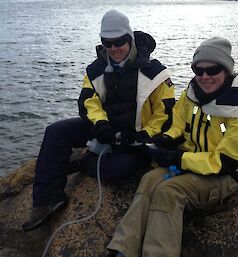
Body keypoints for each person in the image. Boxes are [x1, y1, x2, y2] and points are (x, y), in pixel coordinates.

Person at [100, 37, 238, 257]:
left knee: (169, 191)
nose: (204, 77)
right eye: (198, 69)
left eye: (213, 70)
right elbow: (177, 125)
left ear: (226, 71)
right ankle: (122, 248)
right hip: (191, 161)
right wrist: (160, 142)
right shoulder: (193, 93)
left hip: (223, 176)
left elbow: (224, 162)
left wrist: (176, 159)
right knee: (149, 180)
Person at [22, 9, 175, 231]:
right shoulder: (95, 70)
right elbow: (88, 101)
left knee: (116, 170)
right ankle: (48, 199)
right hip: (104, 129)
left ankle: (83, 163)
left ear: (129, 38)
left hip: (136, 136)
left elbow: (166, 113)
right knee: (55, 131)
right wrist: (100, 124)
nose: (113, 48)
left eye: (119, 41)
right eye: (107, 42)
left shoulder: (156, 74)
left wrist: (143, 135)